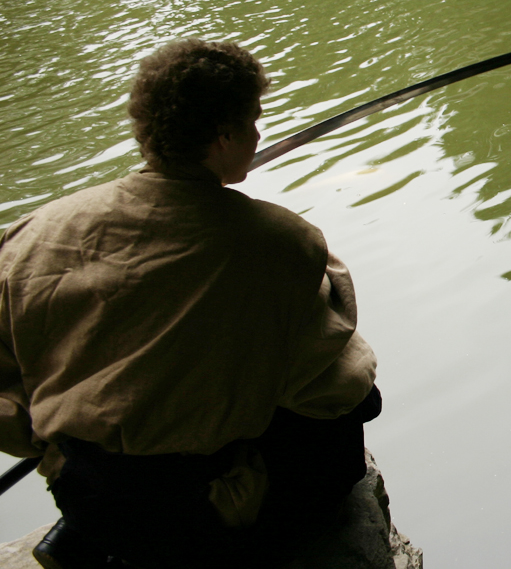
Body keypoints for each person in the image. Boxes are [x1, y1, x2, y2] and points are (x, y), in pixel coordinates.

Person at [0, 39, 380, 569]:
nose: (259, 134)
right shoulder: (280, 241)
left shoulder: (31, 235)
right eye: (254, 121)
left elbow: (9, 404)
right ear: (224, 137)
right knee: (358, 400)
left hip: (94, 502)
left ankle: (87, 528)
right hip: (211, 514)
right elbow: (336, 380)